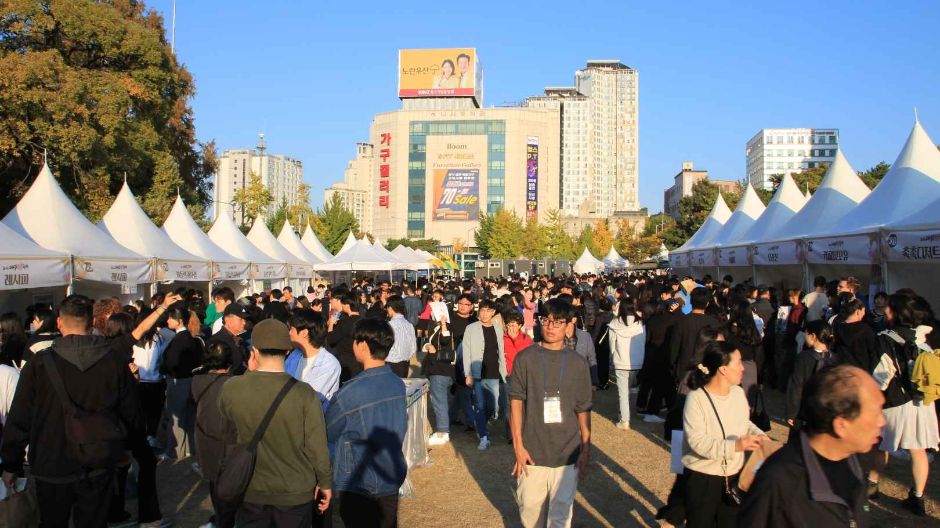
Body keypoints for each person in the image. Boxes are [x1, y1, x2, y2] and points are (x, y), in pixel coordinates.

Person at [1, 295, 141, 527]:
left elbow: (20, 417)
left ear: (59, 323)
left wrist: (11, 464)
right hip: (99, 455)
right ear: (92, 323)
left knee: (53, 522)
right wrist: (128, 447)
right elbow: (131, 413)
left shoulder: (39, 363)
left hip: (52, 461)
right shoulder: (114, 360)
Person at [218, 318, 332, 526]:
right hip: (294, 490)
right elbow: (317, 446)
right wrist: (324, 481)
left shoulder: (231, 388)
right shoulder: (305, 393)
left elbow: (225, 432)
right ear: (288, 351)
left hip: (250, 488)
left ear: (254, 351)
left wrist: (248, 371)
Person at [739, 366, 885, 527]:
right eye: (875, 413)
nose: (882, 422)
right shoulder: (781, 481)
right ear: (841, 425)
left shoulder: (853, 461)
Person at [508, 298, 592, 528]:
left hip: (568, 454)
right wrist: (518, 445)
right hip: (532, 451)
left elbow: (583, 408)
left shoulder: (578, 363)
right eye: (546, 320)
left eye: (558, 322)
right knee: (530, 513)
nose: (551, 327)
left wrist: (586, 447)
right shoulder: (525, 358)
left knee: (561, 516)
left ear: (569, 325)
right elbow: (516, 402)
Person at [326, 318, 407, 528]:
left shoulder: (350, 392)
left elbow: (329, 430)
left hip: (358, 480)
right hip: (390, 472)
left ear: (362, 345)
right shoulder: (396, 383)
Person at [682, 341, 767, 528]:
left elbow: (744, 423)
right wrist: (735, 446)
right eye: (738, 362)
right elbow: (697, 442)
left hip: (735, 475)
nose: (743, 368)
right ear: (723, 370)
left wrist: (761, 437)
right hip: (703, 478)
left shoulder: (737, 393)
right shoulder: (696, 398)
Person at [866, 294, 937, 515]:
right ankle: (917, 498)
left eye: (890, 308)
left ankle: (871, 486)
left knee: (880, 444)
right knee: (918, 451)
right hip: (922, 403)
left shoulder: (886, 337)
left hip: (894, 402)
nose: (886, 311)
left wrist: (871, 398)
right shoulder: (924, 338)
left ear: (898, 313)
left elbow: (882, 375)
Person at [192, 341, 237, 528]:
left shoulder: (196, 381)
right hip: (229, 441)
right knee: (230, 488)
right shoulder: (233, 385)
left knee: (214, 484)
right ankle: (226, 521)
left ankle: (220, 519)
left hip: (205, 439)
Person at [462, 298, 507, 450]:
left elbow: (501, 352)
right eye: (482, 310)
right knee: (480, 405)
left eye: (488, 310)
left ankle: (480, 421)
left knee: (493, 408)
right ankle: (484, 436)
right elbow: (466, 352)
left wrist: (504, 372)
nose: (484, 313)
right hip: (477, 374)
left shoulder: (498, 328)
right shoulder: (471, 328)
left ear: (493, 312)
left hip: (494, 372)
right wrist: (467, 373)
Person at [163, 305, 204, 461]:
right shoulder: (192, 339)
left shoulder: (179, 340)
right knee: (188, 416)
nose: (167, 320)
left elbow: (172, 362)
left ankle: (175, 451)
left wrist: (165, 369)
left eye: (170, 318)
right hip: (191, 380)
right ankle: (188, 449)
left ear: (179, 320)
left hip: (178, 381)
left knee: (176, 418)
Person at [786, 320, 839, 434]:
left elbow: (796, 386)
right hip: (826, 414)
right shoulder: (836, 359)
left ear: (813, 336)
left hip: (805, 412)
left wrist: (792, 413)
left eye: (806, 333)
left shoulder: (803, 358)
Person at [286, 309, 341, 409]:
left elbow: (308, 399)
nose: (289, 333)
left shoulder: (328, 364)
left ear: (304, 333)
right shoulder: (294, 356)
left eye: (292, 329)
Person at [608, 297, 646, 430]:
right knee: (627, 390)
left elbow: (612, 345)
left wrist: (613, 358)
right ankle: (623, 414)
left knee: (623, 392)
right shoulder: (640, 323)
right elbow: (643, 342)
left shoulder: (615, 323)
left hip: (620, 361)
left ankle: (624, 419)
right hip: (636, 361)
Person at [326, 290, 363, 383]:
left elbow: (330, 339)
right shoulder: (364, 320)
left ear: (347, 305)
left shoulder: (345, 323)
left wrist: (331, 324)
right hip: (362, 362)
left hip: (346, 364)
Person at [208, 303, 250, 375]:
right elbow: (216, 372)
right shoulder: (217, 342)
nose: (244, 322)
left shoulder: (239, 340)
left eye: (244, 319)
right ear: (227, 319)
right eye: (240, 319)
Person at [384, 295, 416, 378]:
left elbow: (385, 345)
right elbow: (413, 348)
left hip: (391, 364)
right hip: (405, 364)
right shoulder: (409, 325)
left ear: (390, 308)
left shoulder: (390, 325)